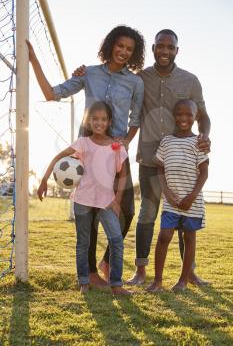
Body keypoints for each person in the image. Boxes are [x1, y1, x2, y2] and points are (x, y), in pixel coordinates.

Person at [26, 25, 145, 287]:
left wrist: (124, 142)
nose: (123, 52)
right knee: (89, 213)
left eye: (129, 49)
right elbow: (52, 93)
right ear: (111, 44)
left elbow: (136, 119)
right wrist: (33, 59)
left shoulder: (135, 82)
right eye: (120, 45)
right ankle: (89, 273)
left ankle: (106, 260)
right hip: (88, 154)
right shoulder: (89, 74)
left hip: (115, 155)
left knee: (126, 209)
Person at [126, 29, 211, 286]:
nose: (165, 51)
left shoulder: (190, 81)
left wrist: (204, 135)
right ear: (153, 49)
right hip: (152, 159)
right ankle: (141, 271)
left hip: (184, 160)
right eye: (160, 46)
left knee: (186, 216)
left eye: (170, 47)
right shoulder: (141, 79)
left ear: (176, 50)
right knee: (148, 215)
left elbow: (203, 115)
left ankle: (189, 273)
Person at [37, 101, 133, 295]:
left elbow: (123, 176)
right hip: (82, 200)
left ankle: (116, 284)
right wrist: (44, 180)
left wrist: (117, 199)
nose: (99, 123)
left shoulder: (116, 148)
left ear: (109, 121)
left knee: (116, 239)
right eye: (95, 119)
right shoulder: (82, 143)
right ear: (88, 121)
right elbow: (58, 157)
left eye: (103, 119)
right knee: (83, 242)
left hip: (106, 202)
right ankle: (83, 282)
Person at [147, 99, 209, 292]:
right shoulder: (166, 141)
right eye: (180, 114)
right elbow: (160, 170)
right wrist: (167, 194)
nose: (184, 118)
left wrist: (191, 197)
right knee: (164, 237)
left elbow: (204, 172)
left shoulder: (198, 142)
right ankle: (157, 281)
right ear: (174, 117)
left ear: (195, 117)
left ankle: (183, 280)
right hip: (171, 201)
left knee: (189, 239)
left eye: (188, 115)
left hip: (192, 202)